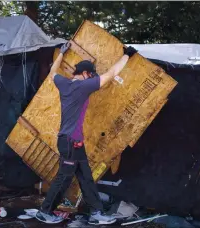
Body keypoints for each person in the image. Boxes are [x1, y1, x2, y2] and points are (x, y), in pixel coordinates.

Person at [35, 42, 137, 225]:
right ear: (84, 74)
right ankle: (45, 211)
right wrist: (126, 55)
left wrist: (61, 54)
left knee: (86, 178)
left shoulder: (64, 83)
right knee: (63, 178)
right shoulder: (82, 87)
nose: (92, 78)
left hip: (74, 142)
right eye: (91, 75)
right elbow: (112, 74)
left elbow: (52, 74)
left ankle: (97, 212)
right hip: (70, 142)